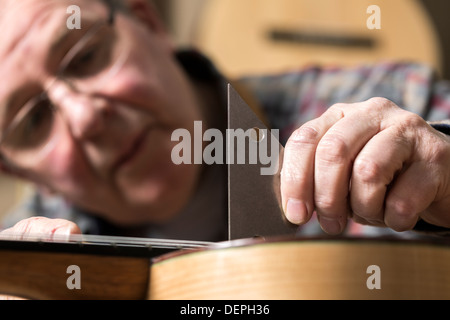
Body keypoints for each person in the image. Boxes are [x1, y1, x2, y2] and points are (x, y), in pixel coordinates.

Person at [0, 0, 450, 242]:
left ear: (148, 22)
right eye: (33, 120)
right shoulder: (27, 262)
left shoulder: (400, 97)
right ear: (19, 171)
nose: (85, 117)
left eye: (86, 56)